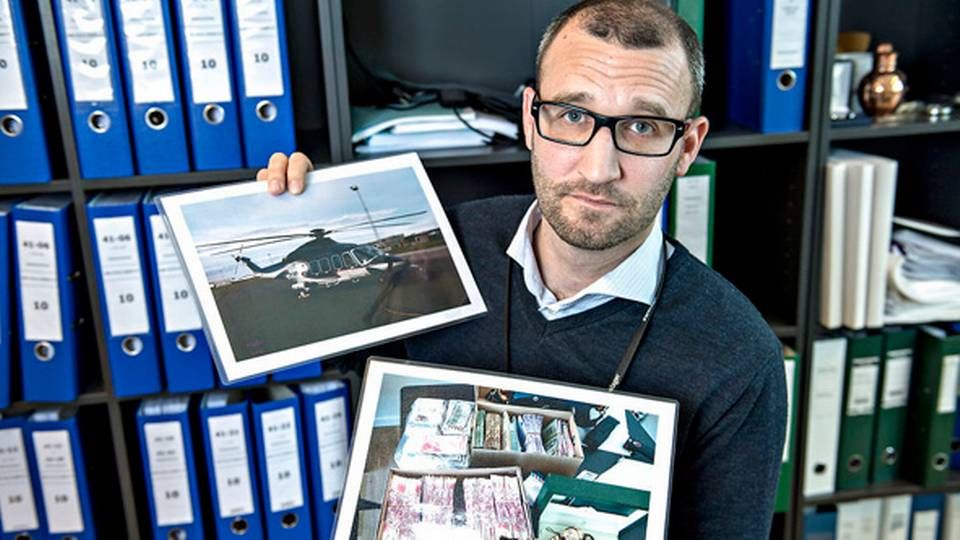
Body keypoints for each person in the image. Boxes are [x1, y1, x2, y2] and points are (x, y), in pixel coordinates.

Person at [259, 0, 786, 537]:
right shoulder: (440, 251)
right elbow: (287, 338)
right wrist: (299, 210)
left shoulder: (738, 357)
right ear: (531, 118)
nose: (599, 169)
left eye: (643, 127)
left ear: (687, 146)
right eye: (574, 116)